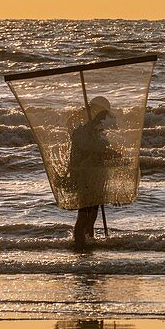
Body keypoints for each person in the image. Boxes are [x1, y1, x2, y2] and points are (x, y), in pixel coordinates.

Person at [69, 95, 115, 249]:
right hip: (85, 176)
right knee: (84, 213)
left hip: (95, 176)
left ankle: (89, 242)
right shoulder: (82, 132)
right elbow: (89, 149)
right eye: (101, 114)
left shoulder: (97, 131)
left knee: (93, 212)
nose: (103, 118)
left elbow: (100, 149)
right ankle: (79, 245)